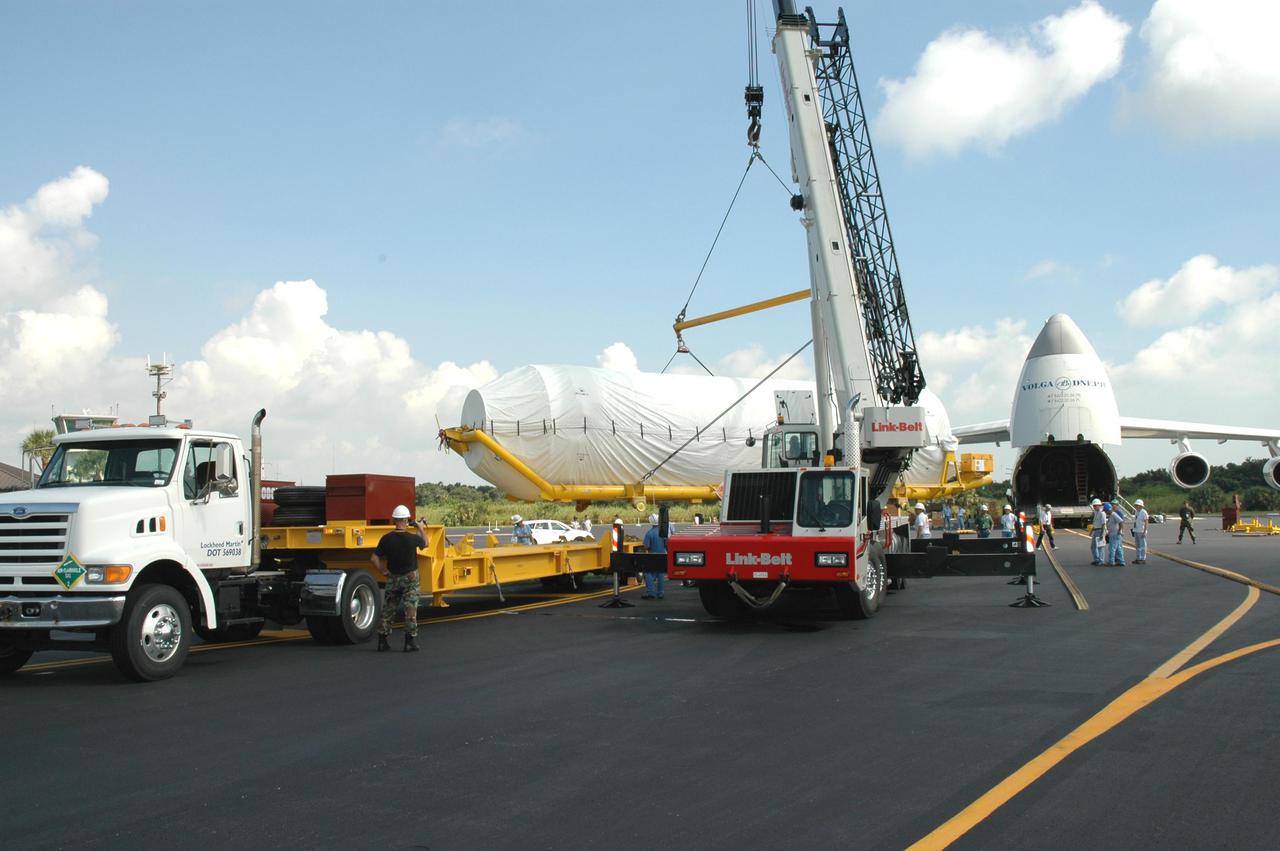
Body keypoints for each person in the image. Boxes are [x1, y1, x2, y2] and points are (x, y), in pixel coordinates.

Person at [372, 504, 427, 652]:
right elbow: (425, 544)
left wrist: (383, 570)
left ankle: (382, 641)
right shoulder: (412, 539)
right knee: (410, 610)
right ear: (406, 520)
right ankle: (409, 642)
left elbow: (374, 558)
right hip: (410, 580)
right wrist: (421, 528)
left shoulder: (386, 539)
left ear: (394, 520)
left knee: (388, 609)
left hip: (393, 578)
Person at [641, 513, 667, 599]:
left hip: (652, 557)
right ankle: (661, 593)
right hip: (662, 556)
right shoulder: (663, 533)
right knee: (660, 574)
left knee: (648, 573)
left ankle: (651, 593)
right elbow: (667, 545)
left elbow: (646, 546)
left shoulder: (649, 533)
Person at [1132, 498, 1149, 564]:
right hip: (1136, 530)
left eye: (1138, 505)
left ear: (1141, 506)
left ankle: (1143, 558)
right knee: (1137, 545)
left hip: (1141, 531)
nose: (1137, 506)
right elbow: (1135, 521)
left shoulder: (1144, 512)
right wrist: (1134, 529)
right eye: (1136, 505)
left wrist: (1145, 531)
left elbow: (1146, 522)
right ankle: (1138, 558)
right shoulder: (1136, 512)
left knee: (1142, 545)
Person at [1089, 498, 1105, 564]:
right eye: (1093, 506)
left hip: (1100, 530)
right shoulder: (1095, 512)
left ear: (1099, 505)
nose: (1094, 507)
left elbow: (1103, 524)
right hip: (1096, 530)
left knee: (1100, 547)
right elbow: (1095, 522)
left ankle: (1101, 560)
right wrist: (1091, 531)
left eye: (1095, 506)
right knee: (1093, 546)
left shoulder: (1102, 513)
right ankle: (1096, 559)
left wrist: (1102, 534)